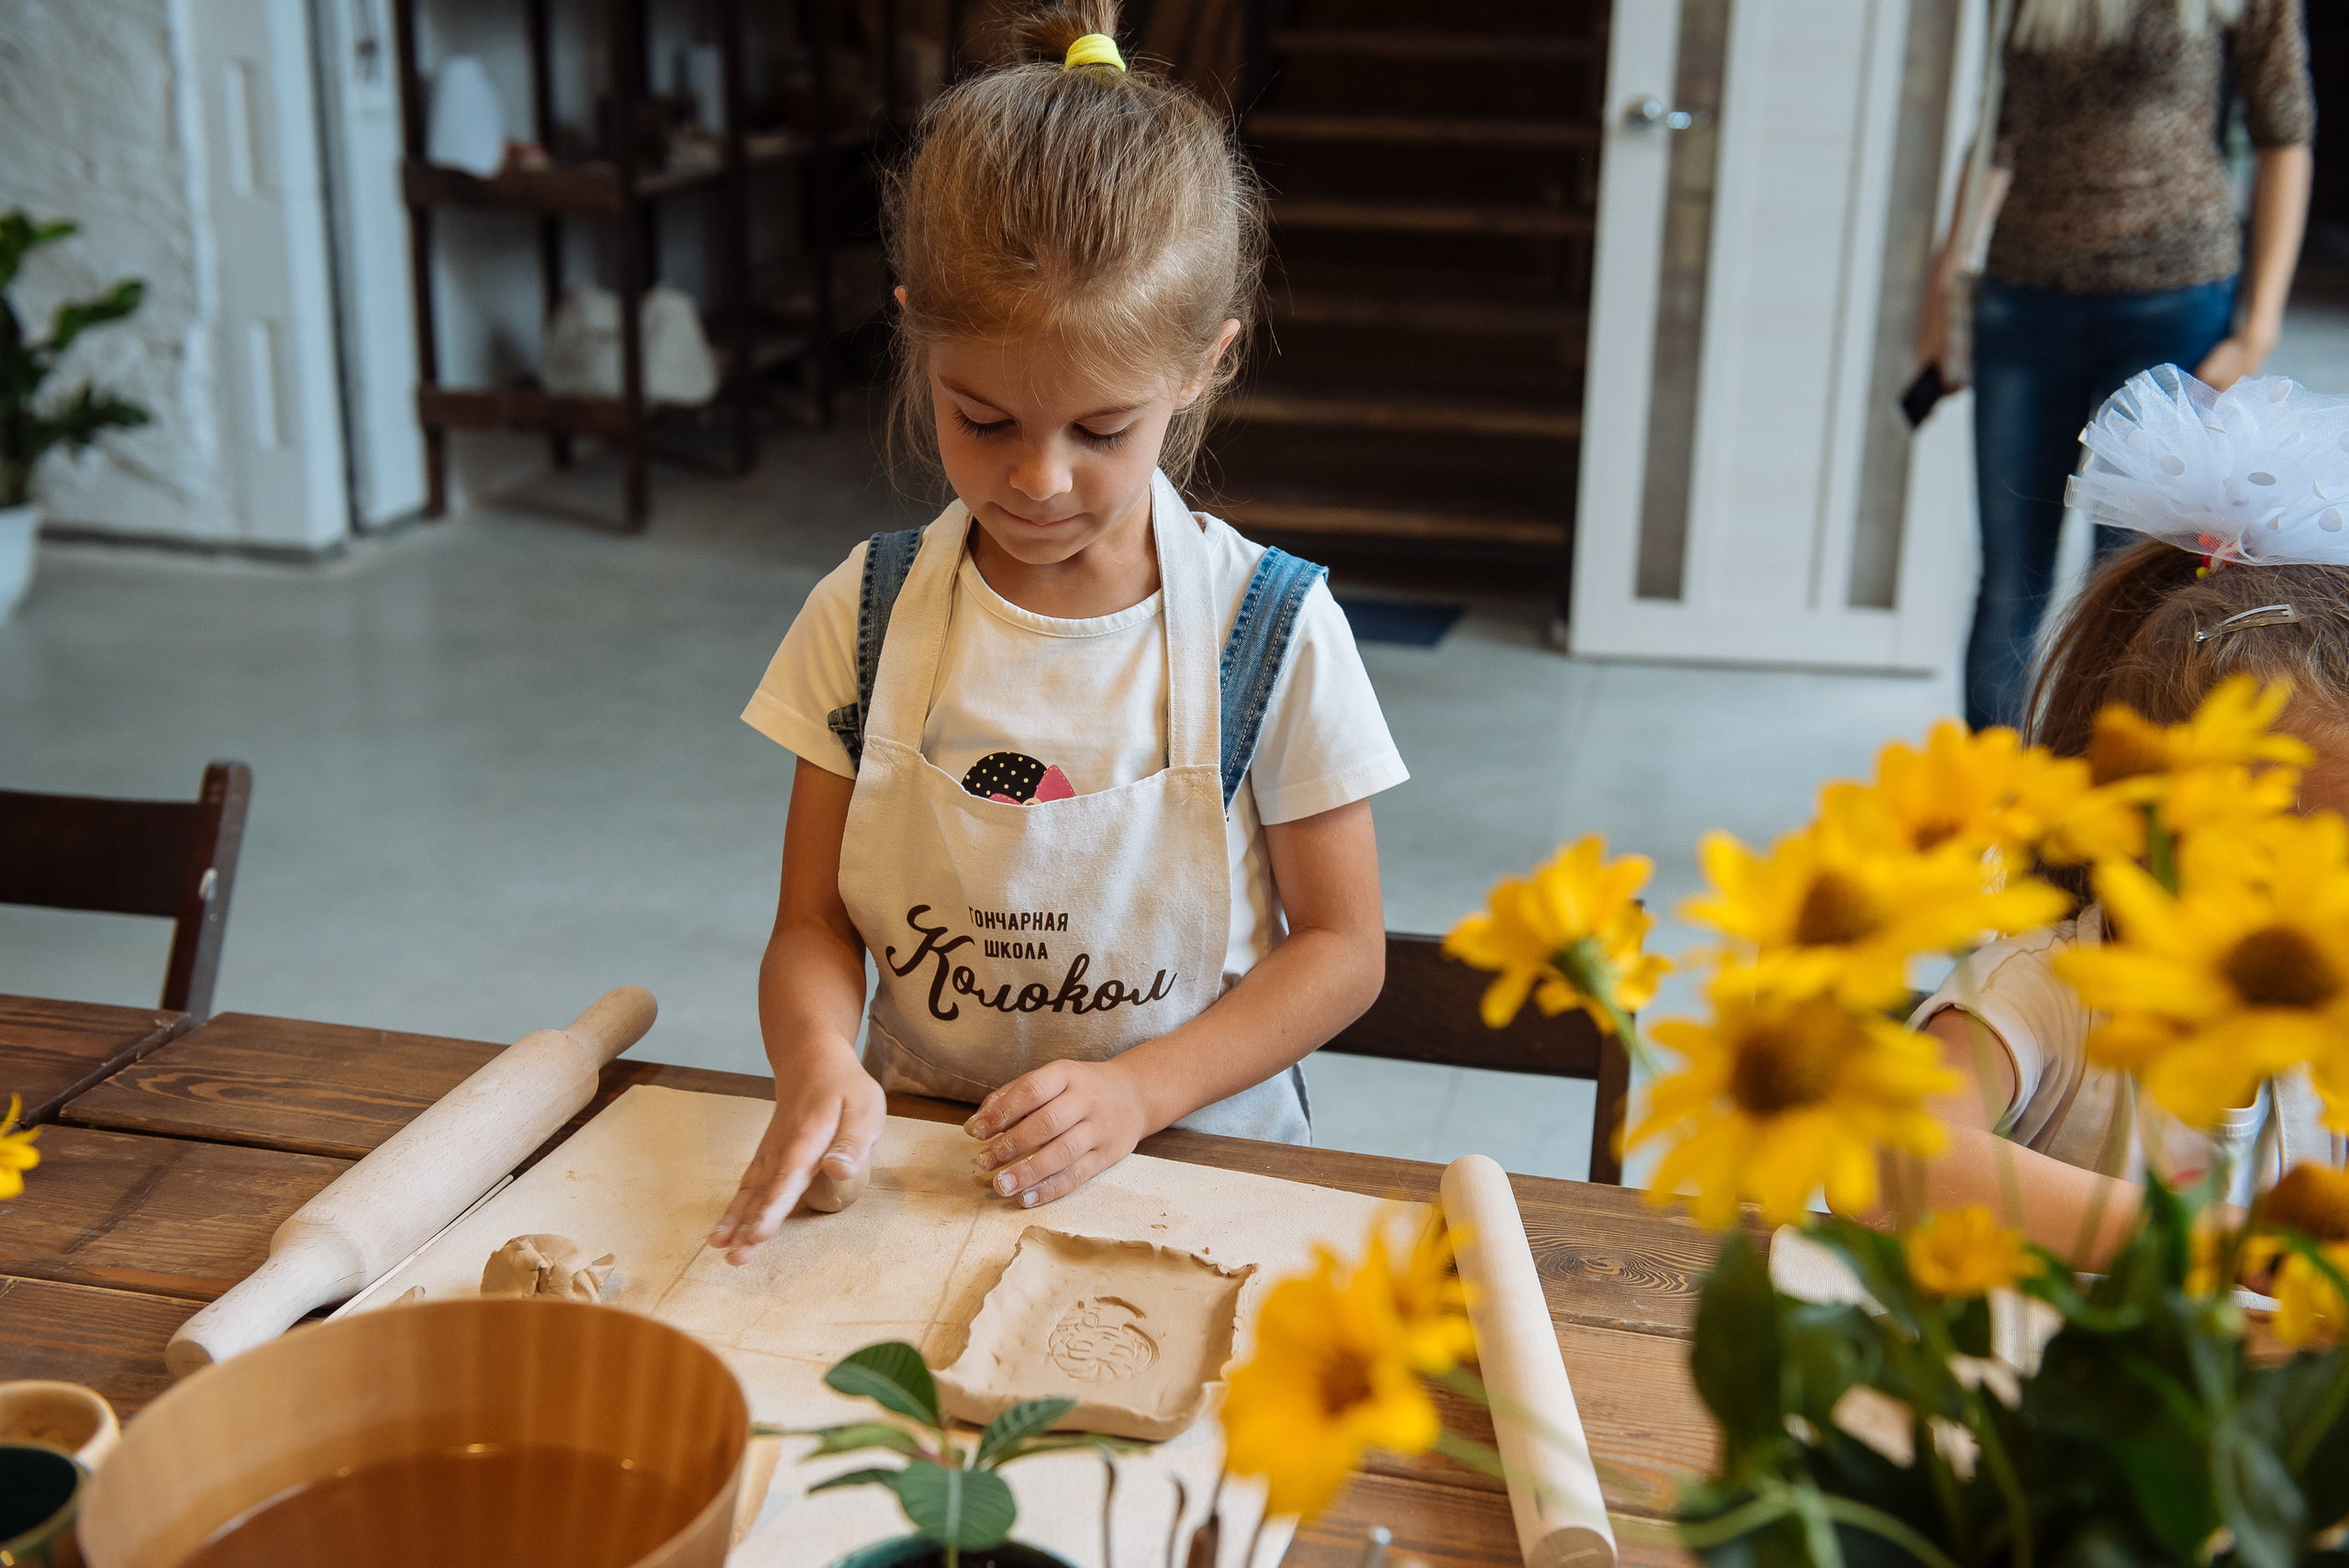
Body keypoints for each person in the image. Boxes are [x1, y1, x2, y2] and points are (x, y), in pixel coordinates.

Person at [706, 4, 1408, 1263]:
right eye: (983, 420)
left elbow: (1345, 951)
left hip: (1199, 1168)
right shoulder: (860, 620)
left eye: (1101, 430)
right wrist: (817, 1057)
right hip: (926, 1162)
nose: (1038, 478)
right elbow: (813, 925)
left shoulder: (1274, 632)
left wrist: (1142, 1091)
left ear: (1201, 366)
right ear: (916, 330)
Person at [1900, 364, 2349, 1265]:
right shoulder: (2046, 992)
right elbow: (1894, 1165)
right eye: (2279, 848)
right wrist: (2208, 1246)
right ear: (2137, 818)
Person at [1917, 0, 2313, 731]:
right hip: (2021, 302)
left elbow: (2284, 134)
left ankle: (2105, 815)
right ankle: (2001, 818)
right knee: (2011, 580)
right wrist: (1942, 289)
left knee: (2132, 592)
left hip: (2175, 307)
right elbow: (2000, 134)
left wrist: (2257, 328)